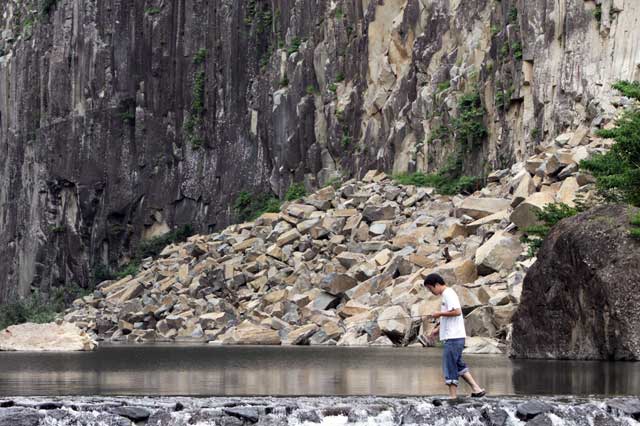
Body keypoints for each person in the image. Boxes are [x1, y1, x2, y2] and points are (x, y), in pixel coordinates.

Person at [424, 272, 486, 398]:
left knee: (450, 365)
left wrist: (438, 314)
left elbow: (457, 312)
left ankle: (453, 397)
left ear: (436, 284)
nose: (431, 292)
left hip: (454, 337)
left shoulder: (448, 293)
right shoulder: (446, 295)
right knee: (457, 364)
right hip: (454, 337)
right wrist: (437, 329)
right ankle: (477, 389)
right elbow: (451, 316)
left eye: (430, 288)